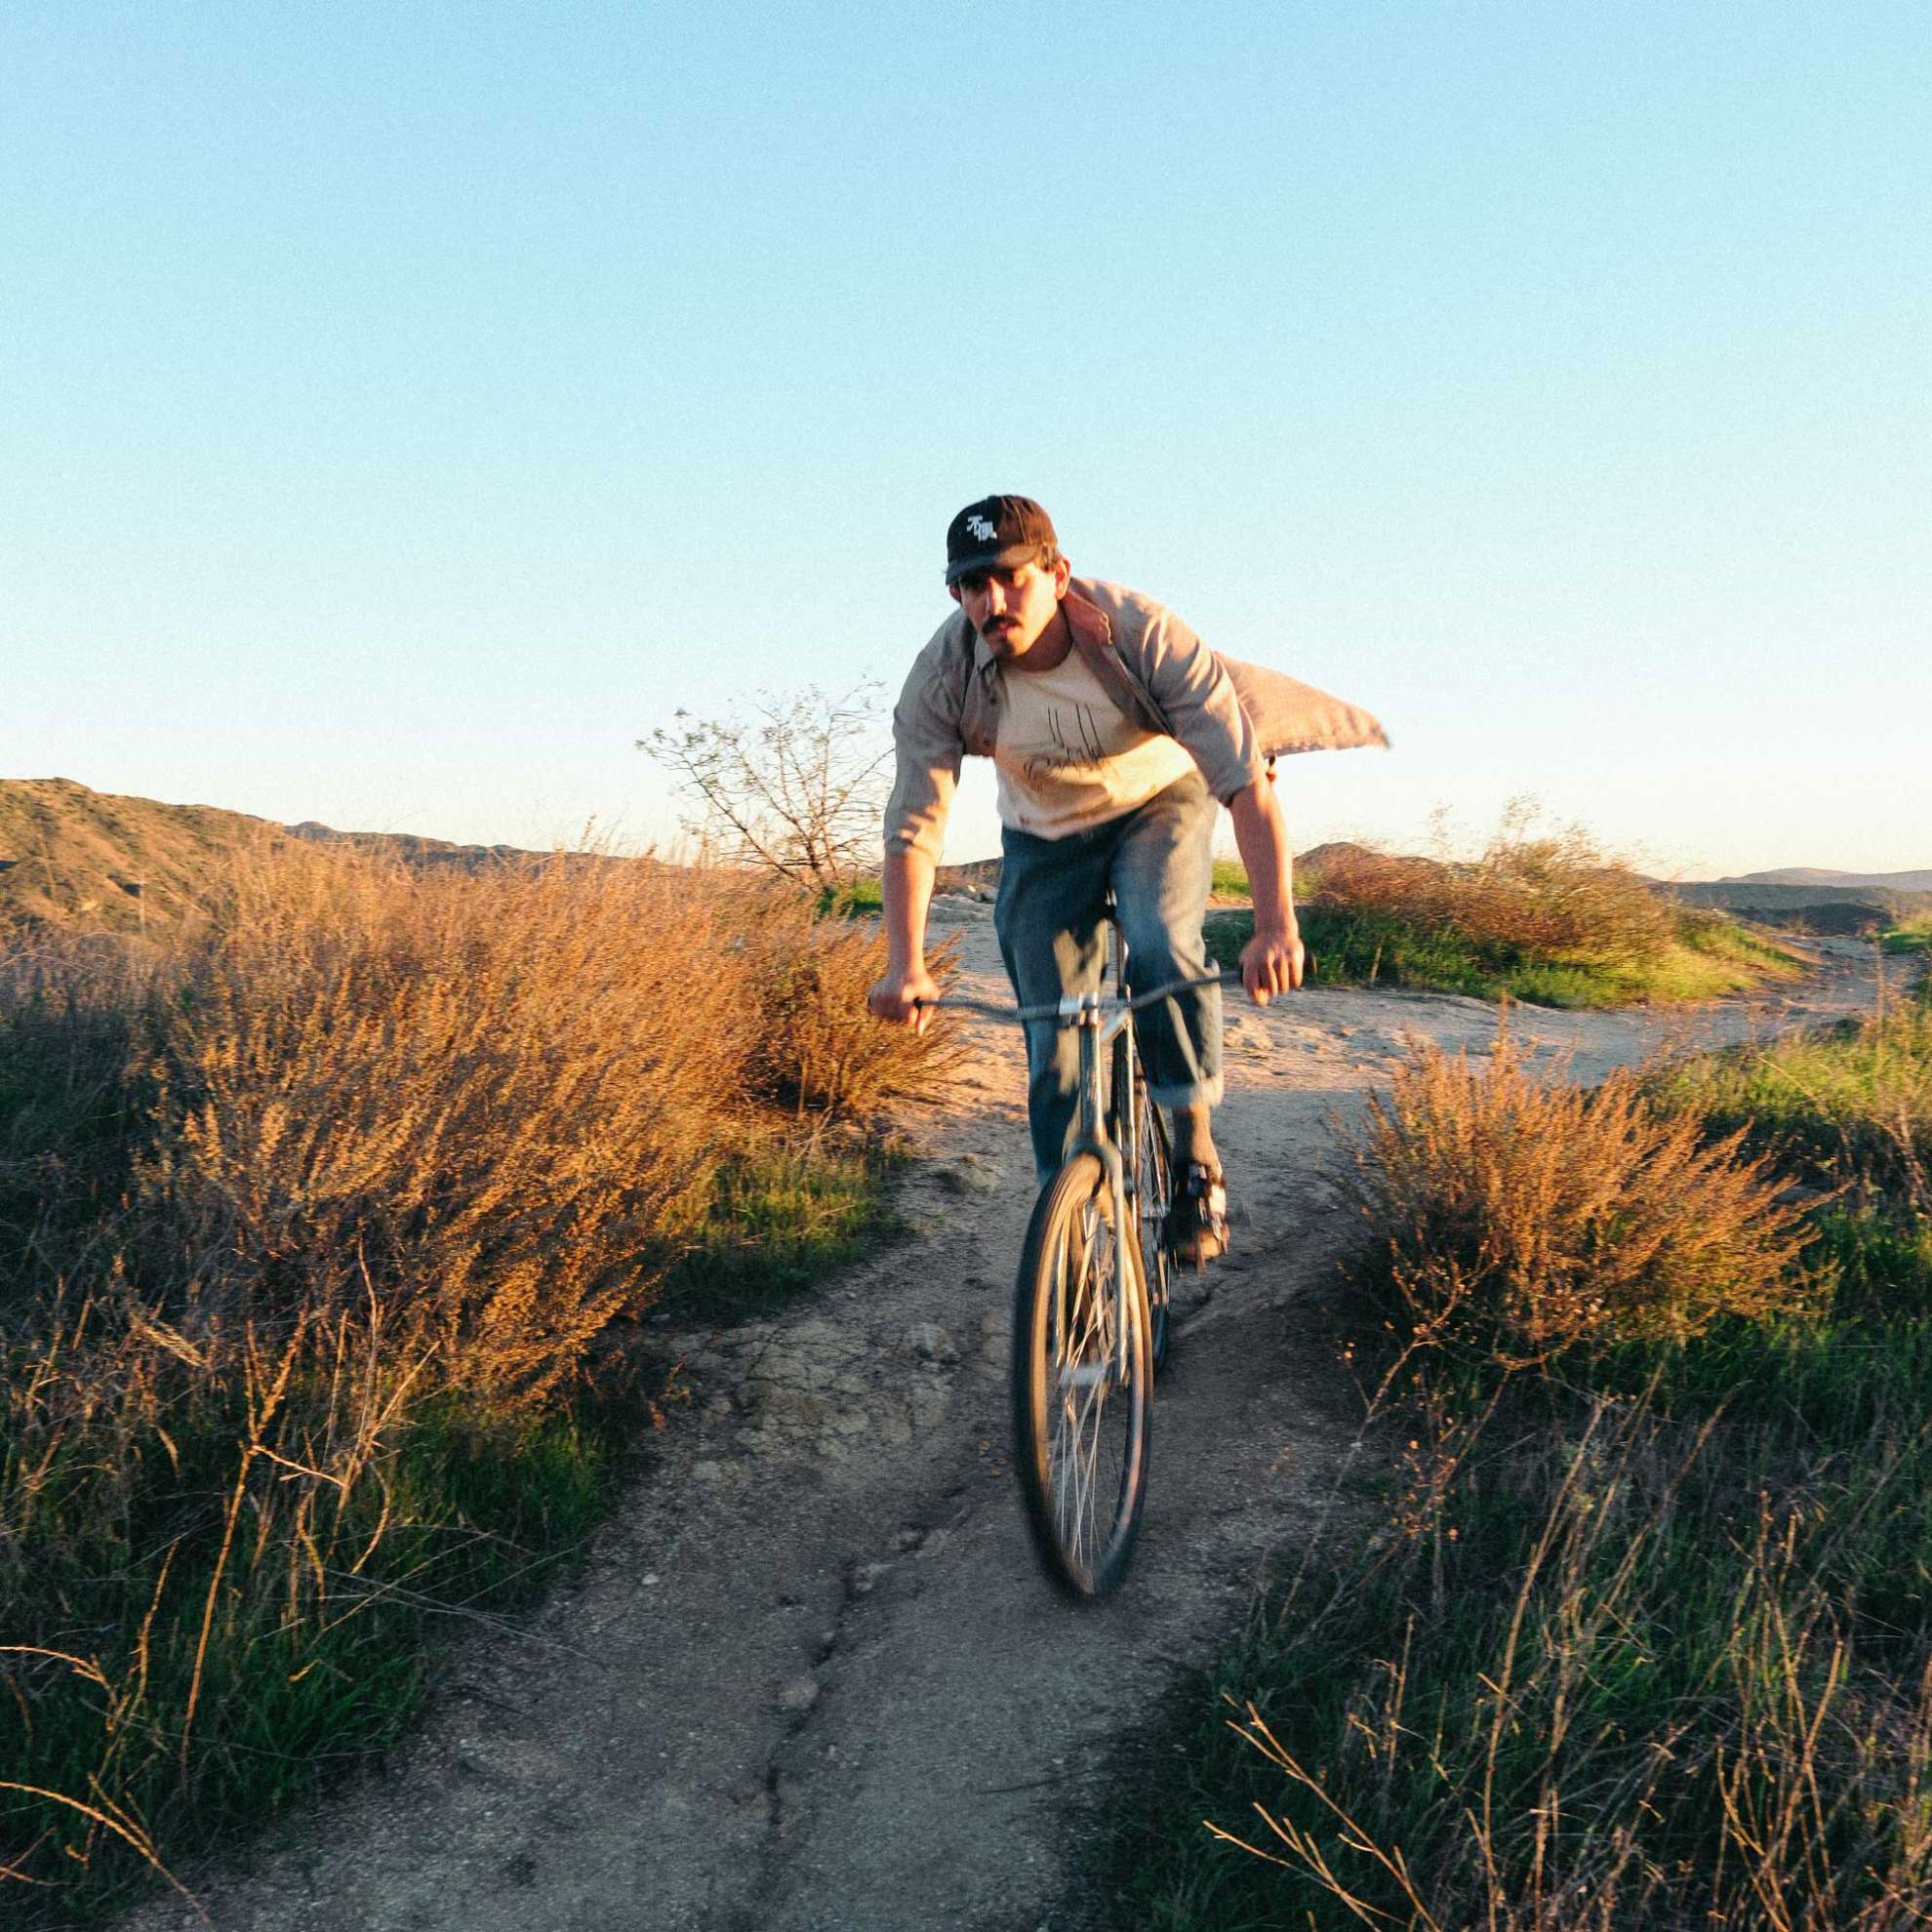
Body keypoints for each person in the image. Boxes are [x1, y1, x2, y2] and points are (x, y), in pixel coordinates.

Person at [865, 495, 1304, 1263]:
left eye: (1011, 577)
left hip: (1158, 802)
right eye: (971, 585)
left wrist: (1275, 927)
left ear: (1057, 574)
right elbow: (913, 828)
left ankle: (1194, 1150)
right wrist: (905, 965)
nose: (991, 601)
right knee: (1054, 1025)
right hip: (1044, 833)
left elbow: (1244, 784)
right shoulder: (942, 674)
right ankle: (1069, 1235)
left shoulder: (1142, 633)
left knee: (1158, 941)